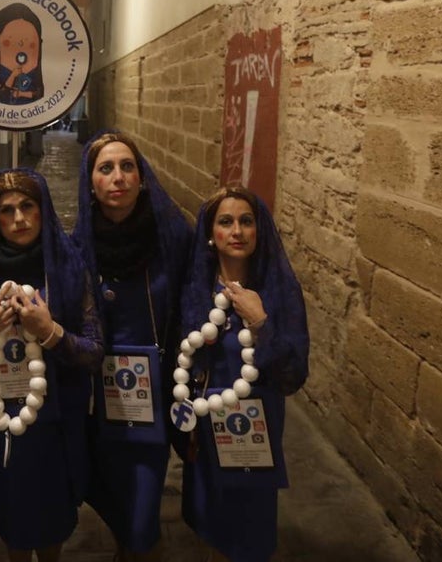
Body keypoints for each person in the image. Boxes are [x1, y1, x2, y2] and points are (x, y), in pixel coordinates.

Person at [0, 169, 103, 562]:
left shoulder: (67, 267)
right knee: (11, 508)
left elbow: (94, 350)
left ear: (43, 211)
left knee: (53, 512)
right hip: (2, 420)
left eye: (28, 206)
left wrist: (50, 333)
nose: (19, 219)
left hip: (59, 418)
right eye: (7, 210)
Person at [71, 132, 192, 561]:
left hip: (153, 398)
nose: (118, 177)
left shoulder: (172, 238)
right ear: (90, 183)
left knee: (143, 509)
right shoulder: (77, 248)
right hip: (96, 399)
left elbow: (192, 301)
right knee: (112, 496)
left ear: (142, 178)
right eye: (106, 169)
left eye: (127, 167)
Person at [176, 186, 309, 562]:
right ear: (210, 233)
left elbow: (293, 374)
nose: (237, 231)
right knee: (213, 519)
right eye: (226, 222)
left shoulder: (278, 290)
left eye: (246, 222)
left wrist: (261, 321)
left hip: (255, 428)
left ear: (258, 230)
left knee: (250, 528)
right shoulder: (196, 288)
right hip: (205, 423)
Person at [0, 4, 45, 104]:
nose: (21, 52)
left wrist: (22, 94)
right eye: (9, 43)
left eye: (31, 45)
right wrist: (12, 76)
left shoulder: (34, 79)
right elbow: (0, 98)